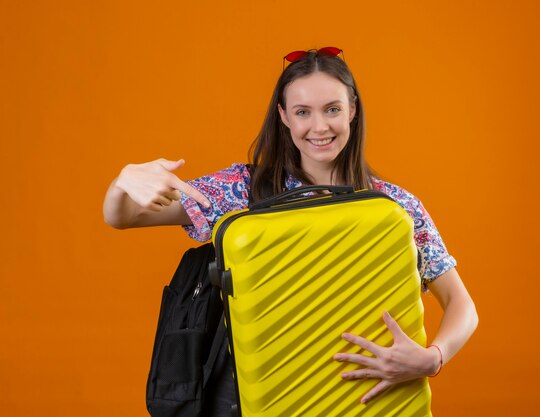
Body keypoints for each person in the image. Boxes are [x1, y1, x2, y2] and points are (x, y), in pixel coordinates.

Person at [103, 47, 478, 413]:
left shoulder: (395, 205)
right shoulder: (243, 190)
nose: (320, 126)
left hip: (371, 399)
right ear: (284, 116)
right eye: (303, 112)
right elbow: (125, 217)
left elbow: (462, 305)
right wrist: (123, 183)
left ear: (352, 110)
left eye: (332, 109)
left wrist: (432, 358)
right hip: (268, 396)